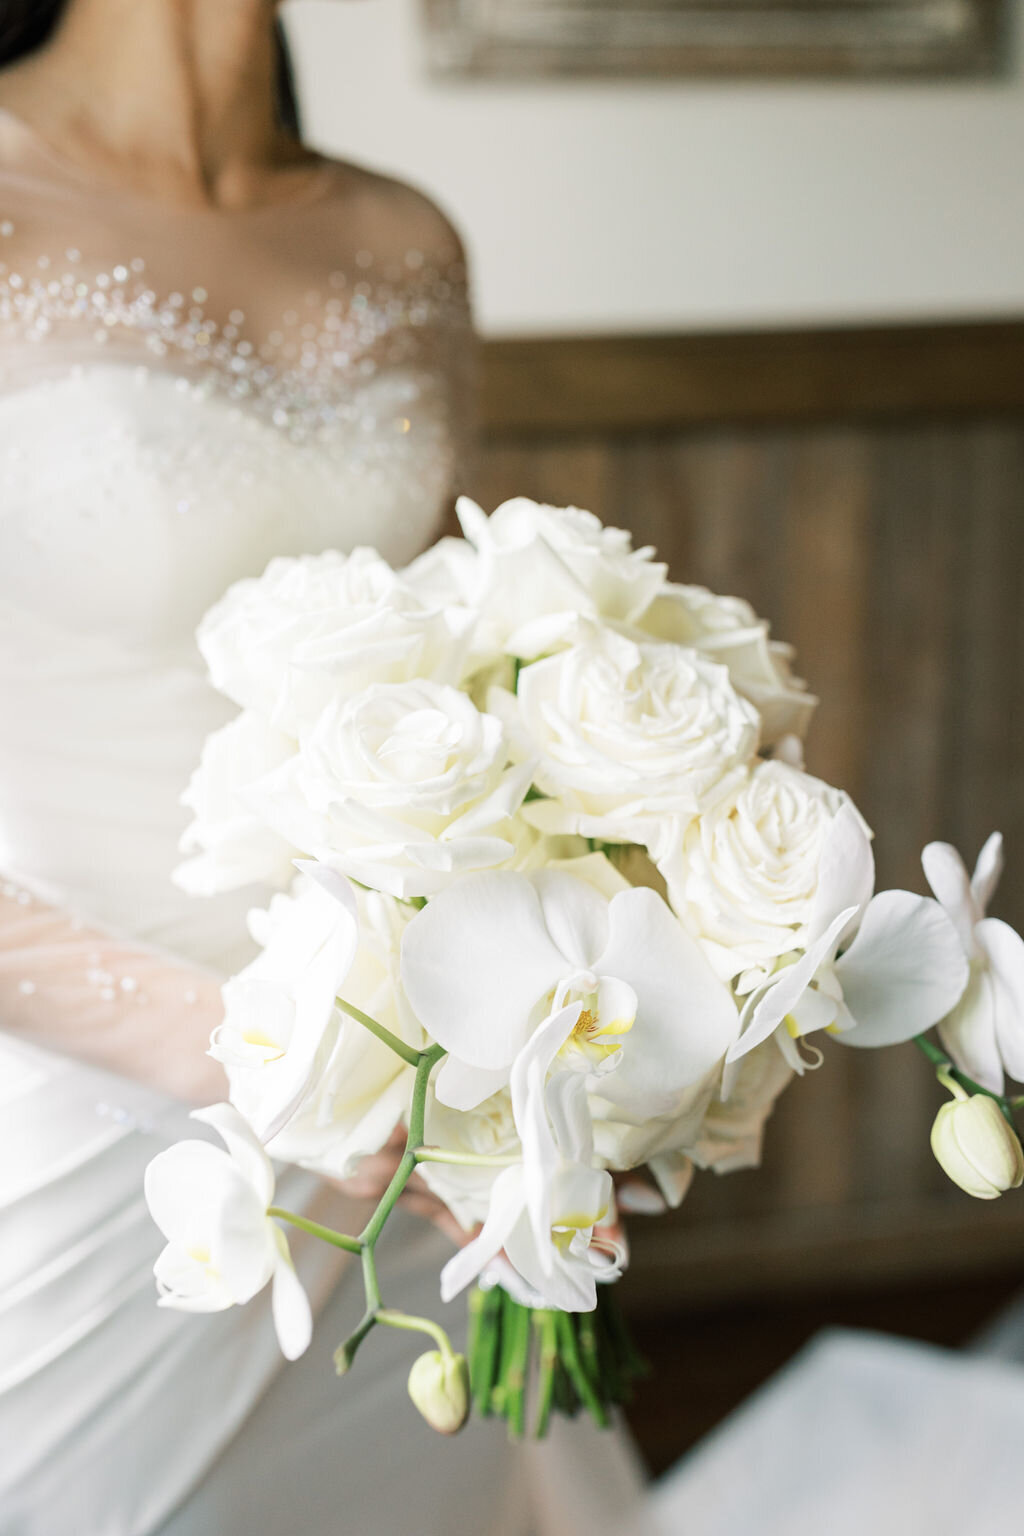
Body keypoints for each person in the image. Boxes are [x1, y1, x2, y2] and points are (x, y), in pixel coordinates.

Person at [0, 3, 645, 1531]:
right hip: (76, 1108)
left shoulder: (405, 238)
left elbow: (464, 658)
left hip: (408, 1090)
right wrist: (241, 1054)